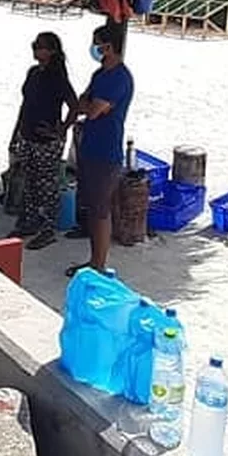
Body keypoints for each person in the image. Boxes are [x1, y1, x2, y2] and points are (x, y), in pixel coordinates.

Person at [67, 23, 135, 278]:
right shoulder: (100, 75)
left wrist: (87, 106)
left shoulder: (119, 77)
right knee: (93, 206)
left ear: (108, 46)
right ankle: (94, 260)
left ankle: (98, 264)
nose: (94, 48)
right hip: (90, 145)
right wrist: (87, 106)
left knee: (100, 208)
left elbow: (92, 108)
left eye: (97, 43)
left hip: (106, 150)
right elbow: (83, 102)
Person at [3, 32, 78, 250]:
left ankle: (48, 229)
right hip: (27, 134)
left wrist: (62, 129)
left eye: (40, 46)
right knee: (29, 181)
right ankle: (30, 221)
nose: (36, 50)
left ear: (52, 51)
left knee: (47, 185)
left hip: (46, 140)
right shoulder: (33, 73)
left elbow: (74, 105)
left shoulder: (58, 78)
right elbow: (25, 104)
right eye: (34, 46)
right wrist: (16, 132)